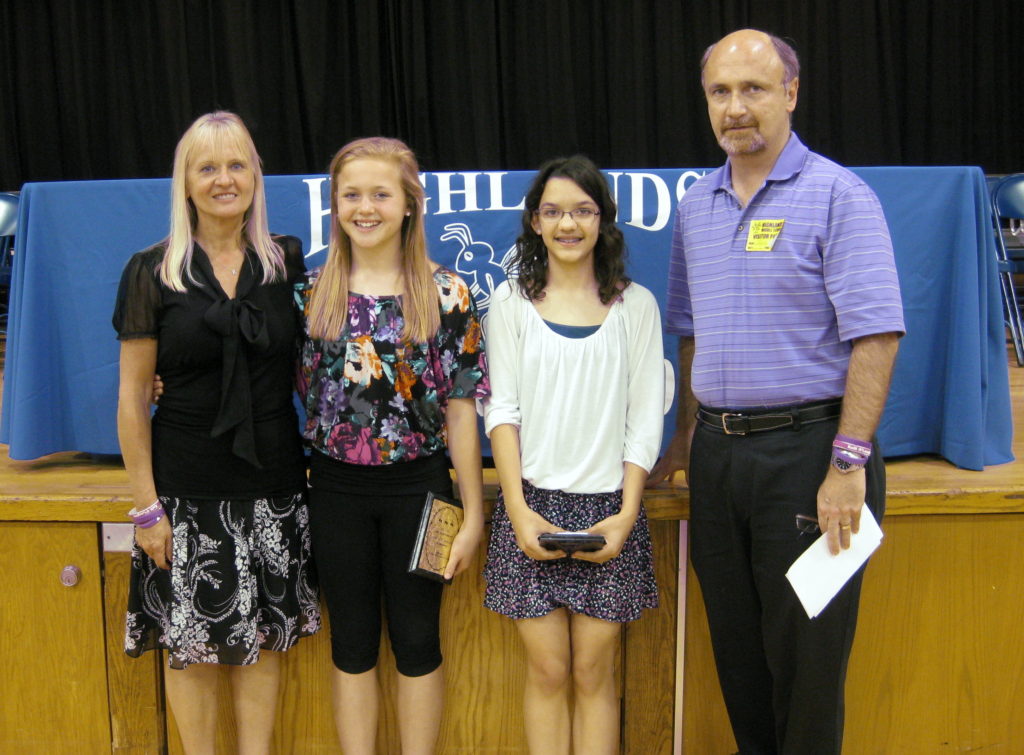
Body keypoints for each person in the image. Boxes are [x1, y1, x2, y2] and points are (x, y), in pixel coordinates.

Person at [648, 30, 905, 754]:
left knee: (808, 669)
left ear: (790, 93)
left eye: (753, 89)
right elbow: (691, 330)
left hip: (813, 456)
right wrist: (686, 436)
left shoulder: (838, 196)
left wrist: (847, 463)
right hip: (721, 461)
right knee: (740, 658)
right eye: (720, 93)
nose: (736, 108)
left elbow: (877, 336)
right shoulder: (697, 206)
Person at [113, 111, 320, 754]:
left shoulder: (284, 259)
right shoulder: (151, 272)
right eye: (207, 167)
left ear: (256, 176)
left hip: (275, 484)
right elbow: (129, 401)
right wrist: (147, 508)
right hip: (185, 491)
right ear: (185, 182)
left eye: (236, 165)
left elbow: (308, 368)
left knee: (260, 640)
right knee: (194, 650)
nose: (224, 179)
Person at [295, 136, 489, 755]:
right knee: (350, 641)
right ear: (335, 205)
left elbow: (462, 415)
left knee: (417, 638)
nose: (366, 207)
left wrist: (472, 517)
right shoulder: (308, 294)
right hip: (333, 492)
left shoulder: (448, 294)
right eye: (351, 194)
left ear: (410, 203)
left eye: (381, 193)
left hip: (424, 490)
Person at [483, 155, 664, 755]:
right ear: (535, 221)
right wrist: (517, 510)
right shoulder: (509, 303)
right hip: (529, 506)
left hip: (609, 508)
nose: (568, 224)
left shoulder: (635, 306)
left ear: (602, 220)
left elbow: (644, 420)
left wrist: (627, 513)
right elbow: (501, 410)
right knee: (548, 671)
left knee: (592, 673)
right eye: (554, 211)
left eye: (582, 211)